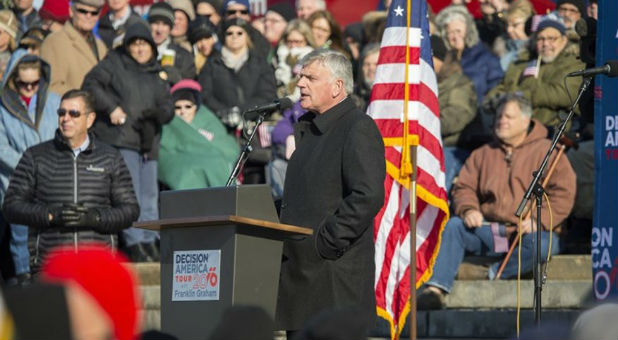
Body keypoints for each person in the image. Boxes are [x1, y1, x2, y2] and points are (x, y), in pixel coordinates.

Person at [417, 93, 575, 309]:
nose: (501, 121)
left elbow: (564, 194)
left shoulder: (549, 152)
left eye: (508, 117)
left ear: (526, 121)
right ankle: (435, 289)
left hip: (529, 233)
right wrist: (469, 209)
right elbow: (464, 187)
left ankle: (495, 273)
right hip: (492, 231)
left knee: (543, 245)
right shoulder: (483, 153)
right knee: (454, 227)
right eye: (499, 116)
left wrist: (540, 220)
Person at [275, 49, 385, 333]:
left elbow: (367, 194)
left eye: (310, 77)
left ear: (337, 86)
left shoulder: (357, 127)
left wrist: (326, 241)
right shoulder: (310, 129)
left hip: (333, 279)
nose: (300, 84)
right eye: (301, 76)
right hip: (300, 278)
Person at [2, 89, 140, 273]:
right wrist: (50, 215)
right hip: (50, 268)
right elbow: (11, 207)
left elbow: (130, 210)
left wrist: (96, 217)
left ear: (90, 119)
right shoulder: (35, 156)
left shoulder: (110, 158)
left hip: (97, 267)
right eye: (61, 113)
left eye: (74, 113)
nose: (65, 119)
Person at [82, 22, 174, 262]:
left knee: (150, 196)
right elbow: (90, 84)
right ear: (128, 46)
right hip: (122, 138)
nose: (140, 48)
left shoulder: (156, 72)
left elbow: (168, 105)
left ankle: (150, 240)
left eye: (145, 44)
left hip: (148, 140)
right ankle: (134, 242)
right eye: (135, 44)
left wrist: (159, 115)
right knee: (129, 194)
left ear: (153, 47)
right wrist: (111, 107)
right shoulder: (115, 63)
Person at [0, 50, 60, 284]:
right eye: (24, 84)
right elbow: (2, 147)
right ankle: (24, 275)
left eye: (35, 83)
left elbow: (63, 133)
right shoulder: (3, 107)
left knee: (51, 231)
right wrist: (29, 165)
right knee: (20, 234)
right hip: (16, 180)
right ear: (13, 80)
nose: (29, 89)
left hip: (50, 177)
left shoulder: (54, 101)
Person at [484, 19, 584, 128]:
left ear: (564, 40)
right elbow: (496, 93)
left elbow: (563, 94)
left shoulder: (574, 63)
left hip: (552, 129)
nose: (545, 43)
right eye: (540, 39)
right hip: (513, 128)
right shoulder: (521, 63)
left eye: (551, 39)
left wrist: (519, 97)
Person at [159, 79, 240, 189]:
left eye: (188, 106)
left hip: (212, 165)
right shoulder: (169, 124)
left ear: (196, 107)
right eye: (178, 107)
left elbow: (228, 148)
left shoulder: (209, 121)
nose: (183, 111)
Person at [431, 36, 477, 193]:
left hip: (452, 146)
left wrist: (424, 125)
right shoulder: (418, 82)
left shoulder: (459, 83)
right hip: (423, 144)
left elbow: (457, 116)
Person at [435, 5, 504, 104]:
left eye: (458, 31)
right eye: (450, 32)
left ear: (468, 31)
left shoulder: (485, 57)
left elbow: (496, 87)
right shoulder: (442, 60)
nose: (455, 37)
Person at [40, 0, 108, 95]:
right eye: (82, 11)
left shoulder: (101, 46)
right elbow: (52, 88)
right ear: (71, 11)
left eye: (94, 13)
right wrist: (86, 99)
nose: (88, 16)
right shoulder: (55, 42)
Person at [147, 1, 196, 81]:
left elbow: (187, 86)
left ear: (170, 28)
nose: (159, 30)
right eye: (156, 23)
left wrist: (173, 76)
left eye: (165, 24)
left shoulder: (183, 56)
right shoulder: (138, 51)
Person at [272, 19, 315, 100]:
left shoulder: (315, 60)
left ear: (307, 40)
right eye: (290, 41)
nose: (293, 46)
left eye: (298, 42)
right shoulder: (277, 57)